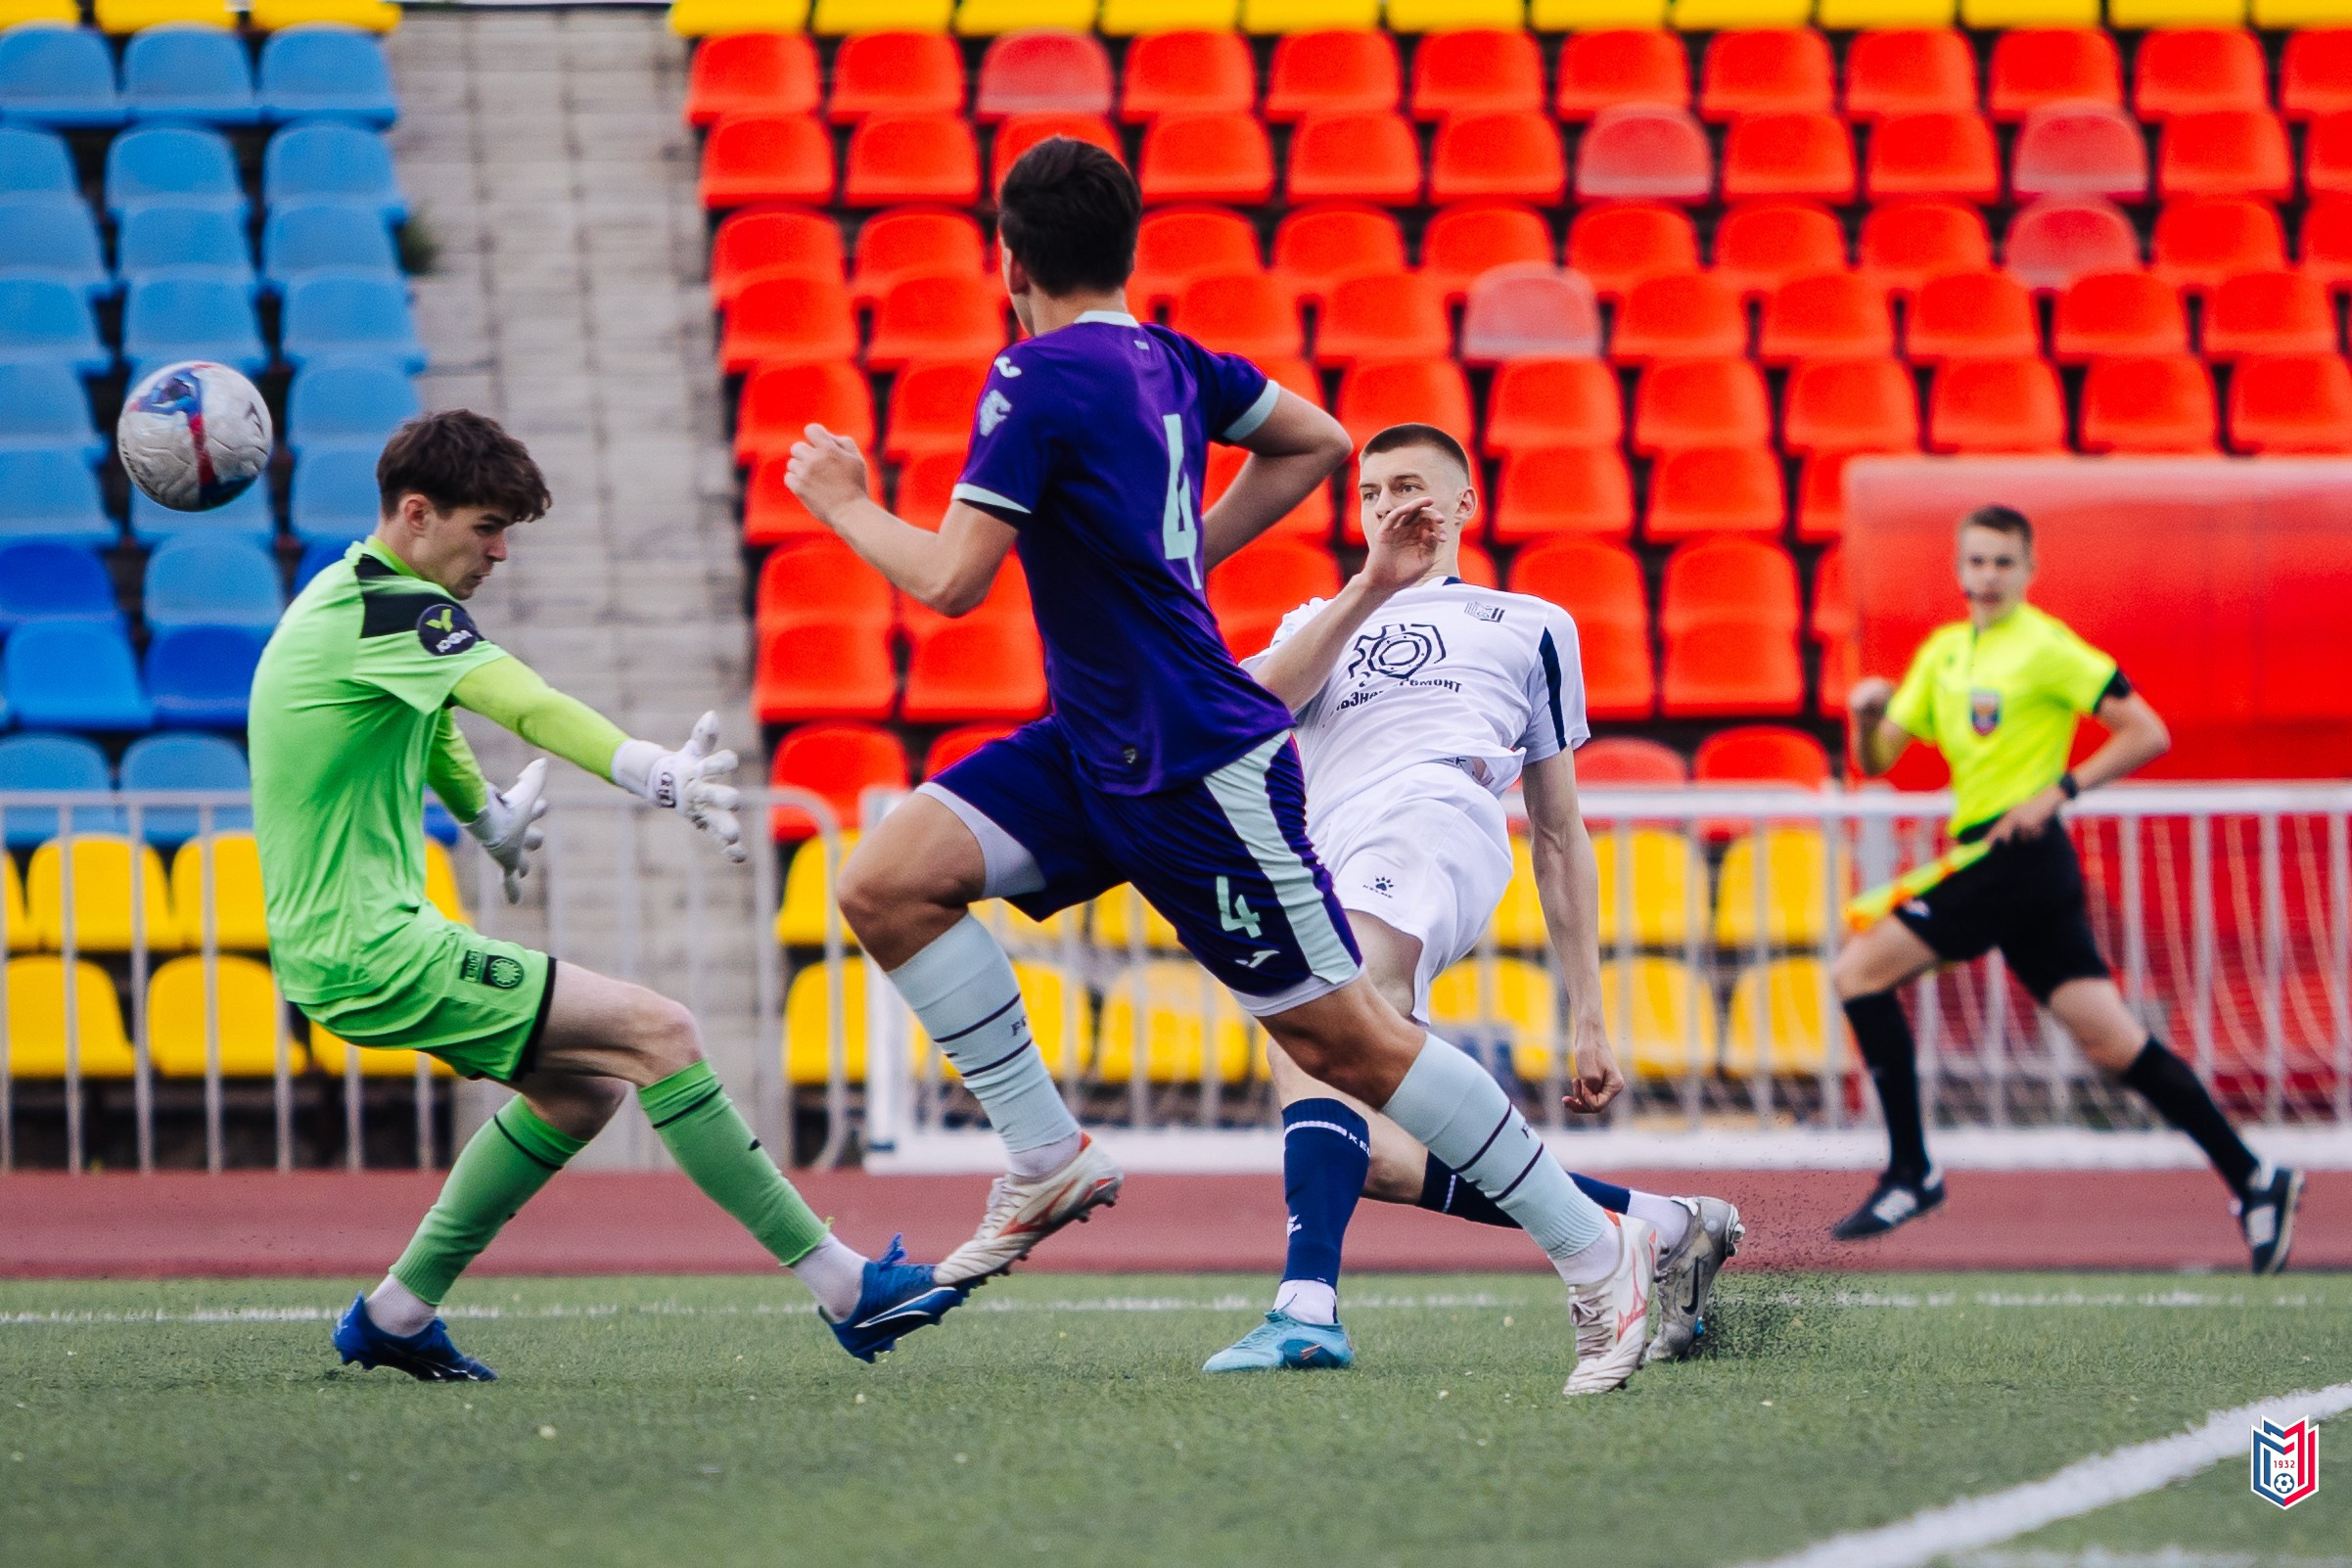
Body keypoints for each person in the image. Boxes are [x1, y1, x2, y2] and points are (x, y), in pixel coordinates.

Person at [785, 139, 1662, 1396]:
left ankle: (1599, 1250)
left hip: (1196, 757)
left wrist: (840, 500)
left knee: (1348, 1041)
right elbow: (1313, 441)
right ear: (1127, 248)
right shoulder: (1173, 360)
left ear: (1006, 260)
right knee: (887, 880)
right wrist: (1185, 560)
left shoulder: (1031, 376)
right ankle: (1048, 1158)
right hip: (1098, 738)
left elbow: (949, 580)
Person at [251, 410, 970, 1381]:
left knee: (579, 1095)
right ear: (416, 513)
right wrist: (651, 772)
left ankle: (398, 1312)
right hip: (368, 944)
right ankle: (845, 1287)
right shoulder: (389, 612)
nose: (501, 552)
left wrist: (485, 813)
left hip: (348, 942)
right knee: (661, 1034)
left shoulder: (350, 602)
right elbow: (522, 702)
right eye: (487, 527)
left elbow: (431, 719)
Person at [1200, 424, 1743, 1374]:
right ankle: (1657, 1226)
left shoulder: (1528, 621)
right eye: (1370, 493)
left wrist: (1590, 1015)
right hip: (1323, 851)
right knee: (1371, 1152)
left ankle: (1306, 1308)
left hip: (1434, 817)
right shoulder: (1315, 618)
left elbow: (1562, 828)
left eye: (1410, 488)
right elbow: (1250, 714)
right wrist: (1371, 585)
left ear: (1463, 506)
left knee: (1332, 1007)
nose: (1387, 507)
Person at [1833, 504, 2303, 1273]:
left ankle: (1911, 1172)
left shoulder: (2045, 648)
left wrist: (2057, 791)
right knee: (2110, 1039)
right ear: (1957, 568)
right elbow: (1880, 757)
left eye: (2001, 563)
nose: (1986, 576)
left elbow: (2146, 731)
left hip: (2016, 856)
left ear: (2027, 571)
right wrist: (1867, 717)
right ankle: (2255, 1178)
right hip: (1999, 862)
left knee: (1856, 973)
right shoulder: (1945, 652)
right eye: (1975, 562)